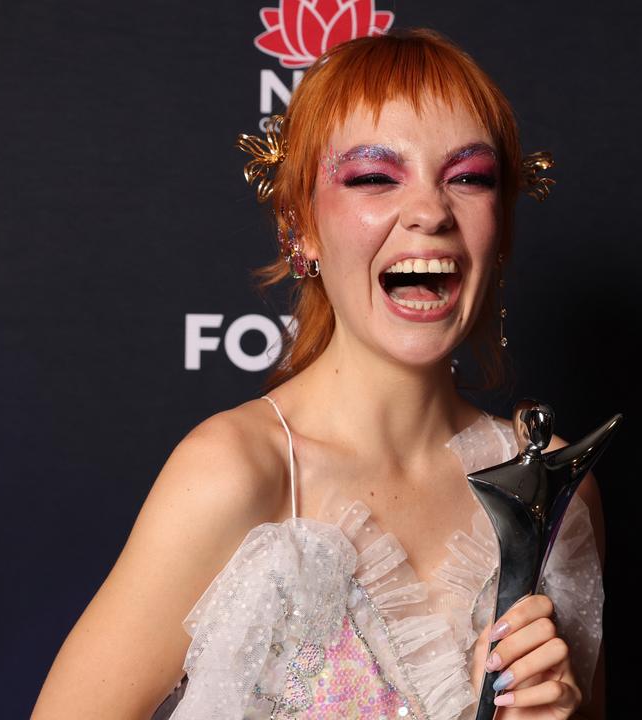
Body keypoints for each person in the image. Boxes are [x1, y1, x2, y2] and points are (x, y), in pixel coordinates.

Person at [32, 28, 605, 720]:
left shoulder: (551, 486)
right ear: (299, 226)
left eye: (468, 177)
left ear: (500, 227)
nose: (429, 212)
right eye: (372, 177)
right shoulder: (235, 470)